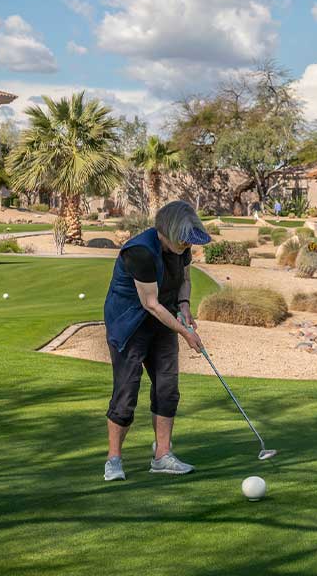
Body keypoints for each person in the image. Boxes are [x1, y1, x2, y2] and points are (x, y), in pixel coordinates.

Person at [102, 200, 212, 481]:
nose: (188, 247)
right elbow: (150, 303)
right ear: (169, 233)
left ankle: (162, 456)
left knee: (168, 388)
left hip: (162, 320)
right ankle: (113, 459)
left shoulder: (180, 248)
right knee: (126, 392)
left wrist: (185, 304)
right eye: (184, 242)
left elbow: (184, 277)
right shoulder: (140, 252)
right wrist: (186, 332)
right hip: (129, 323)